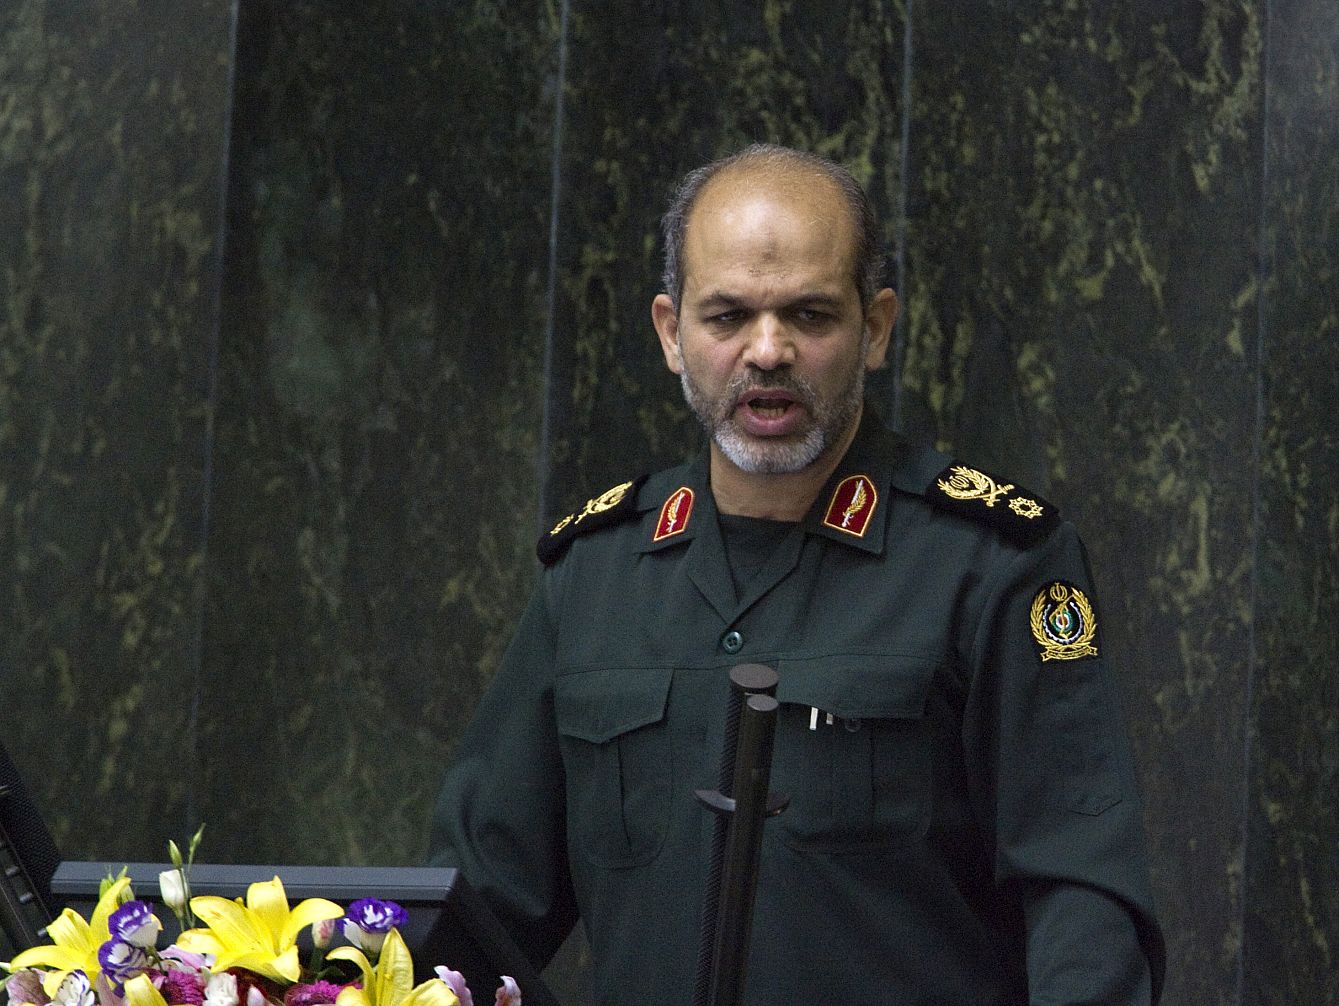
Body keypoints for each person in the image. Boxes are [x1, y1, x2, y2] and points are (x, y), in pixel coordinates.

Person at [430, 144, 1165, 1004]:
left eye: (810, 316)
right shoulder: (594, 575)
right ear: (671, 333)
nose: (767, 351)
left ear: (877, 327)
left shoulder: (992, 563)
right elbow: (473, 918)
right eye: (727, 316)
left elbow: (1082, 902)